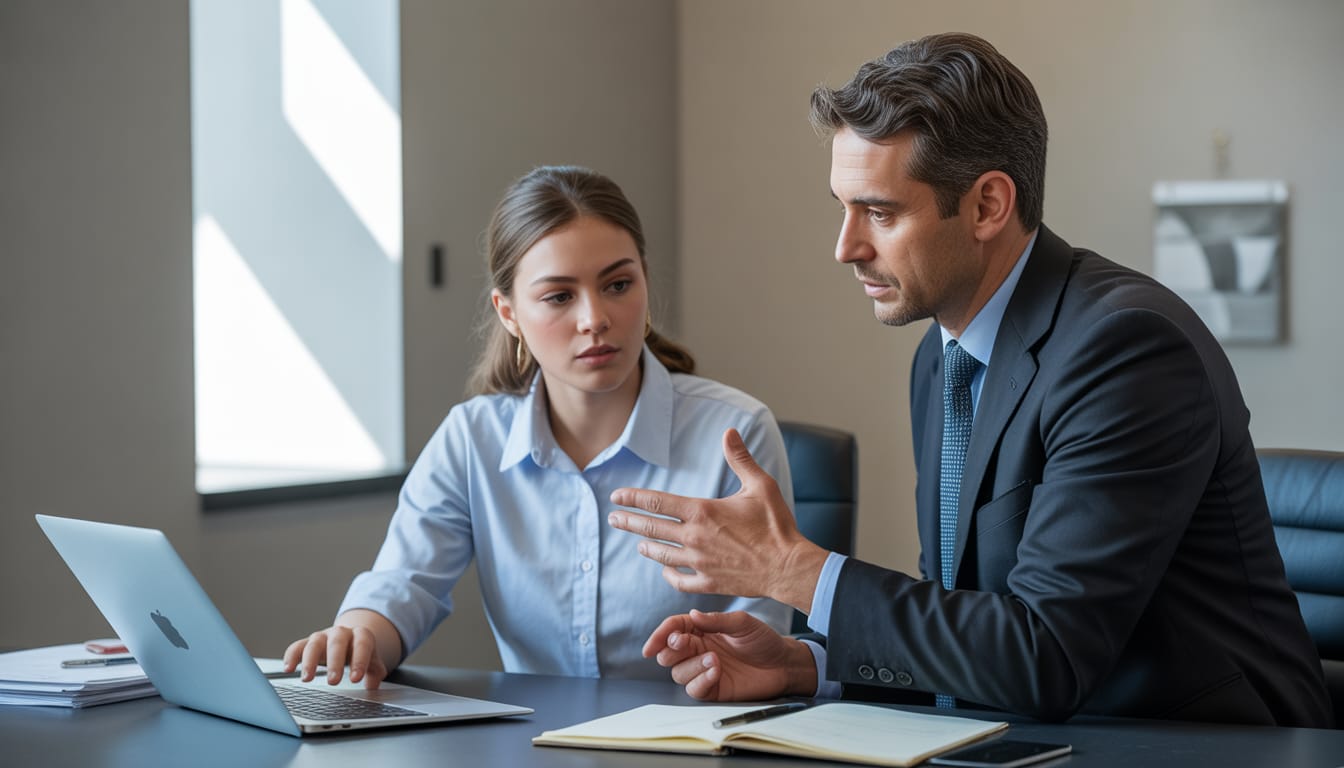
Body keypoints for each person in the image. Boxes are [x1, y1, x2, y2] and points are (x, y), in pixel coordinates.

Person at [607, 33, 1332, 726]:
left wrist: (793, 570)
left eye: (880, 213)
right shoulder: (942, 356)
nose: (845, 248)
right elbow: (971, 624)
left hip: (1208, 746)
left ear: (988, 205)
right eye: (844, 209)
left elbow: (1045, 655)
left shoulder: (1127, 350)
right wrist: (813, 665)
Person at [284, 165, 793, 687]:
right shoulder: (472, 439)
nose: (594, 318)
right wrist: (357, 635)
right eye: (559, 296)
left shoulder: (736, 434)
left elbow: (759, 642)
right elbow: (403, 585)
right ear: (508, 313)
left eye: (618, 284)